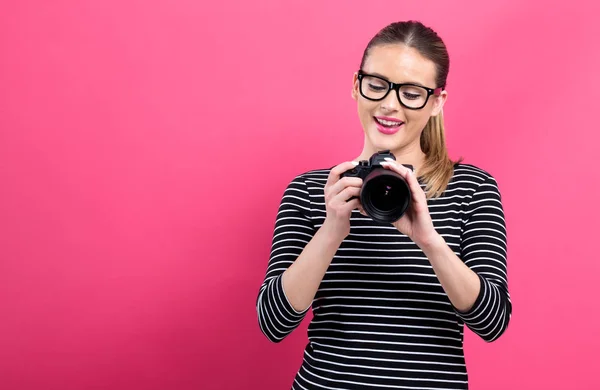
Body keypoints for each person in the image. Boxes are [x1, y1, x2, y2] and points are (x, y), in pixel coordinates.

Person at [255, 20, 511, 390]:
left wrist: (429, 240)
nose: (389, 104)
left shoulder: (471, 189)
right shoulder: (312, 191)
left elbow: (493, 322)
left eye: (411, 92)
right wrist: (330, 232)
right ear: (356, 86)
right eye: (376, 85)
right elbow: (273, 324)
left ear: (437, 102)